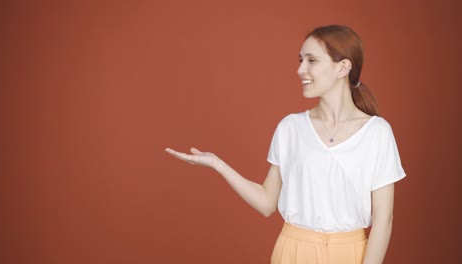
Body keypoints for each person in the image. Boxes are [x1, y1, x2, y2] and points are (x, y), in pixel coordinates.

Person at [165, 25, 406, 264]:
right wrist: (217, 164)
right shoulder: (290, 128)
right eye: (301, 60)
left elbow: (384, 219)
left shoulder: (377, 133)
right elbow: (267, 202)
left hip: (352, 253)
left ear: (343, 67)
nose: (301, 69)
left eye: (312, 60)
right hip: (293, 252)